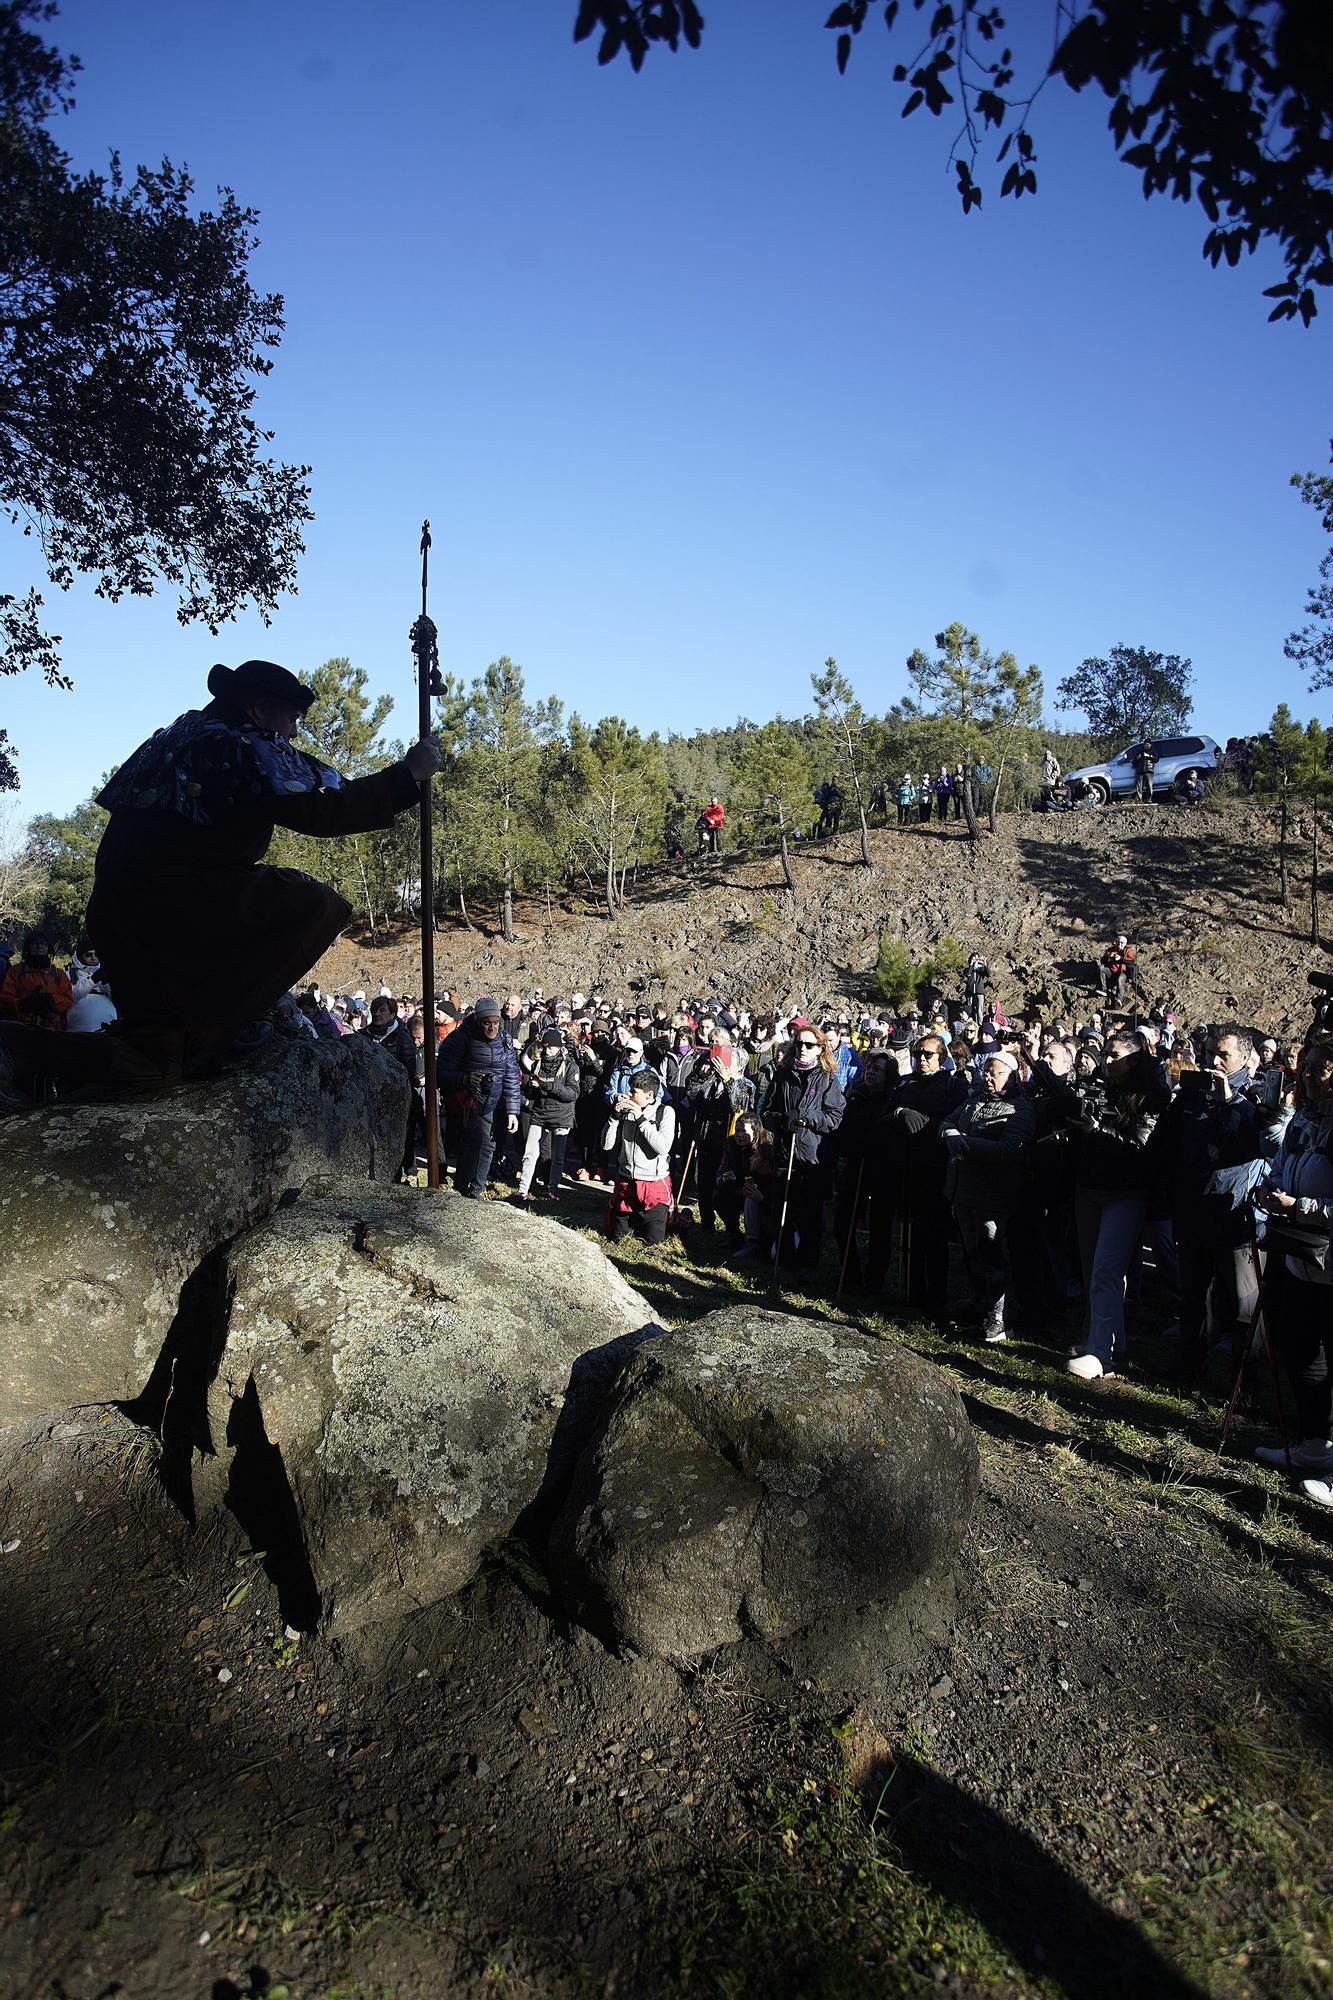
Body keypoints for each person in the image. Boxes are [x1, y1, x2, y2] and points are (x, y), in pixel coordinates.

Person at [83, 659, 440, 1086]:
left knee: (158, 1047)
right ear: (259, 709)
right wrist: (407, 775)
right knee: (313, 903)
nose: (292, 732)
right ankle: (209, 1031)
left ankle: (165, 1041)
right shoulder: (238, 746)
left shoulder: (183, 735)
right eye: (291, 718)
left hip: (119, 916)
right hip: (167, 911)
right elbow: (324, 809)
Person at [1161, 1024, 1287, 1386]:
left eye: (1224, 1055)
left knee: (1244, 1306)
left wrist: (1231, 1101)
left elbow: (1262, 1144)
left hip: (1237, 1215)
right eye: (1211, 1052)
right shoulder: (1194, 1093)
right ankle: (1187, 1368)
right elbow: (1178, 1147)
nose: (1214, 1061)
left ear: (1245, 1057)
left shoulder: (1260, 1095)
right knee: (1192, 1299)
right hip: (1193, 1212)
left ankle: (1245, 1383)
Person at [1252, 1035, 1333, 1506]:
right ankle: (1315, 1446)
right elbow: (1283, 1164)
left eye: (1322, 1068)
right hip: (1303, 1256)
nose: (1309, 1074)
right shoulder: (1303, 1118)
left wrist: (1301, 1204)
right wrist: (1272, 1191)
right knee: (1301, 1343)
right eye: (1308, 1065)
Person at [939, 1051, 1035, 1342]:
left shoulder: (1019, 1110)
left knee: (993, 1255)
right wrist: (950, 1134)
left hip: (993, 1196)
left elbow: (1009, 1150)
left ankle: (997, 1318)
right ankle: (978, 1305)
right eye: (987, 1072)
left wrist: (964, 1143)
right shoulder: (974, 1099)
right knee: (972, 1254)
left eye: (995, 1073)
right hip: (963, 1191)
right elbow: (946, 1123)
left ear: (1012, 1075)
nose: (988, 1078)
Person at [759, 1021, 846, 1272]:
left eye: (809, 1045)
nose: (803, 1049)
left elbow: (835, 1118)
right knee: (782, 1212)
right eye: (799, 1044)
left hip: (813, 1158)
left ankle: (807, 1267)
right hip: (785, 1153)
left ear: (820, 1048)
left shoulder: (828, 1078)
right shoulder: (782, 1074)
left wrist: (807, 1117)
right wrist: (782, 1121)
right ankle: (783, 1264)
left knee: (810, 1216)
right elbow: (765, 1112)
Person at [438, 996, 521, 1197]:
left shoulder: (505, 1040)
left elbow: (511, 1074)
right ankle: (463, 1187)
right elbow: (441, 1073)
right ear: (477, 1021)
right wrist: (465, 1079)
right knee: (473, 1143)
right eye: (486, 1023)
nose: (492, 1028)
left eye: (495, 1023)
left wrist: (512, 1110)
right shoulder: (460, 1039)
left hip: (493, 1100)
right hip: (467, 1101)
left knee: (487, 1145)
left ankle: (475, 1190)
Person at [604, 1069, 677, 1244]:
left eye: (633, 1092)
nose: (628, 1095)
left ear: (649, 1095)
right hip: (626, 1182)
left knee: (653, 1242)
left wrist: (640, 1119)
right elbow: (606, 1145)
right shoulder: (625, 1111)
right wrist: (614, 1118)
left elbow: (663, 1147)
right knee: (618, 1239)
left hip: (653, 1185)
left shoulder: (665, 1112)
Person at [513, 1026, 580, 1205]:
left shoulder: (570, 1066)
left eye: (552, 1047)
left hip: (561, 1116)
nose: (548, 1050)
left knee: (557, 1157)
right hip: (540, 1114)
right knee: (530, 1153)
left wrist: (547, 1086)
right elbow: (526, 1086)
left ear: (559, 1047)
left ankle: (553, 1189)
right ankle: (522, 1190)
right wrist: (529, 1085)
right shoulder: (537, 1063)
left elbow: (573, 1094)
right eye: (546, 1046)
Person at [0, 929, 74, 1031]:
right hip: (22, 1029)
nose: (39, 947)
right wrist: (23, 1004)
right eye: (35, 943)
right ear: (28, 947)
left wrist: (50, 999)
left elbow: (67, 1001)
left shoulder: (58, 974)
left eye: (43, 943)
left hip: (52, 1030)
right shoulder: (16, 971)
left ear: (48, 948)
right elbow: (5, 1000)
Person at [1097, 933, 1135, 1007]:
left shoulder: (1128, 950)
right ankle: (1103, 989)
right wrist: (1108, 956)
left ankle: (1119, 999)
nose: (1119, 944)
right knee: (1102, 968)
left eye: (1122, 942)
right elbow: (1103, 961)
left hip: (1123, 972)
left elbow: (1131, 961)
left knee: (1120, 980)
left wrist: (1120, 958)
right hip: (1111, 972)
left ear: (1125, 943)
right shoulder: (1111, 950)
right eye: (1118, 942)